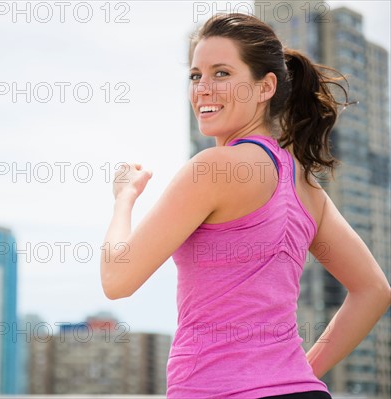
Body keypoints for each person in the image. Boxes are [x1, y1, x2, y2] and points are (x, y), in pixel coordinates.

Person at [100, 12, 391, 399]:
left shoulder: (213, 168)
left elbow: (117, 279)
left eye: (221, 73)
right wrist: (297, 375)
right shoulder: (305, 185)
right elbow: (373, 290)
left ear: (265, 86)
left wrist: (124, 199)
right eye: (195, 75)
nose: (203, 87)